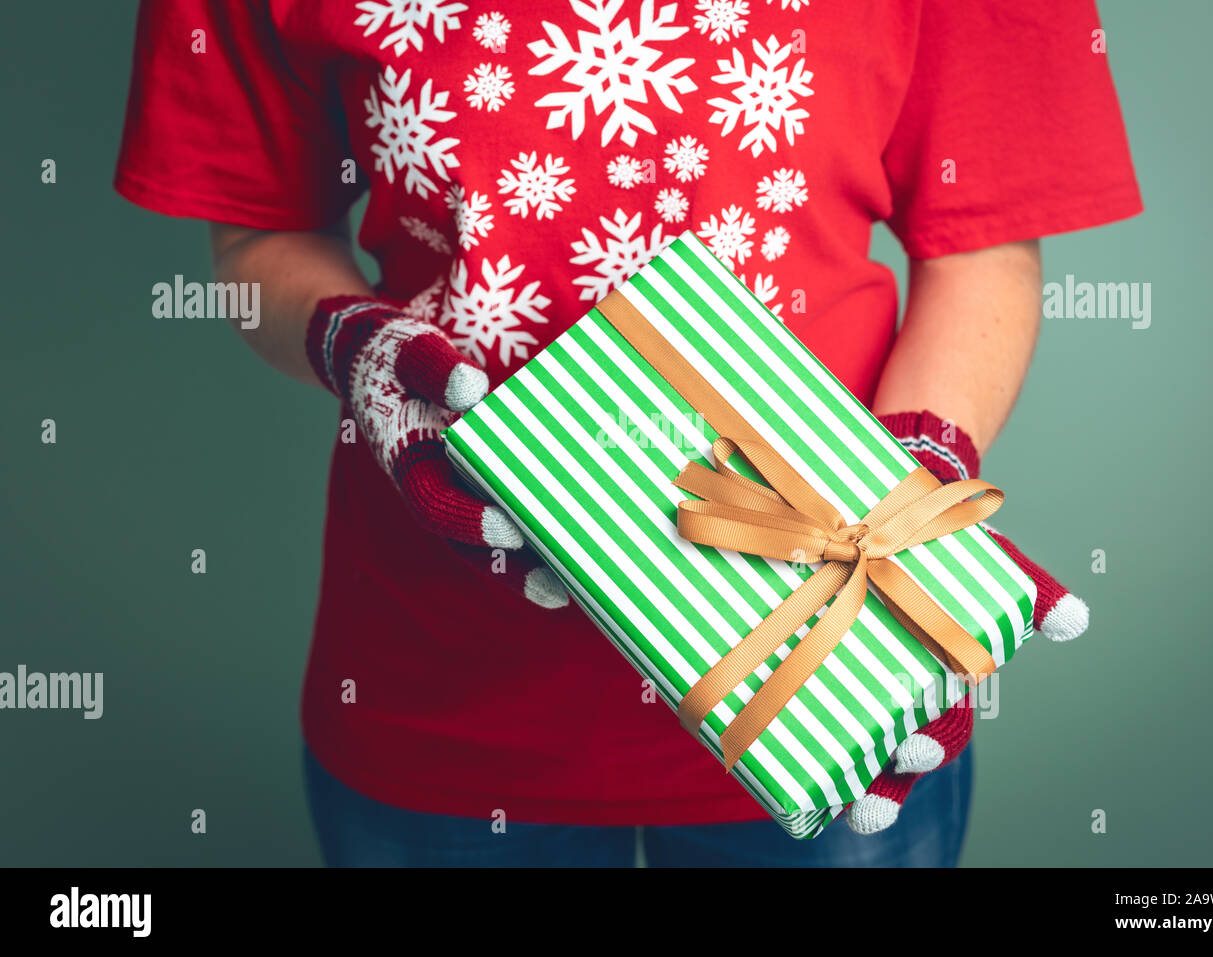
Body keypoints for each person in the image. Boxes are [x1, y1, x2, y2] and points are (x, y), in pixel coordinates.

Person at [115, 0, 1140, 866]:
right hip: (443, 681)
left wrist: (913, 492)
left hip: (832, 663)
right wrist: (352, 342)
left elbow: (981, 244)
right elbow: (261, 230)